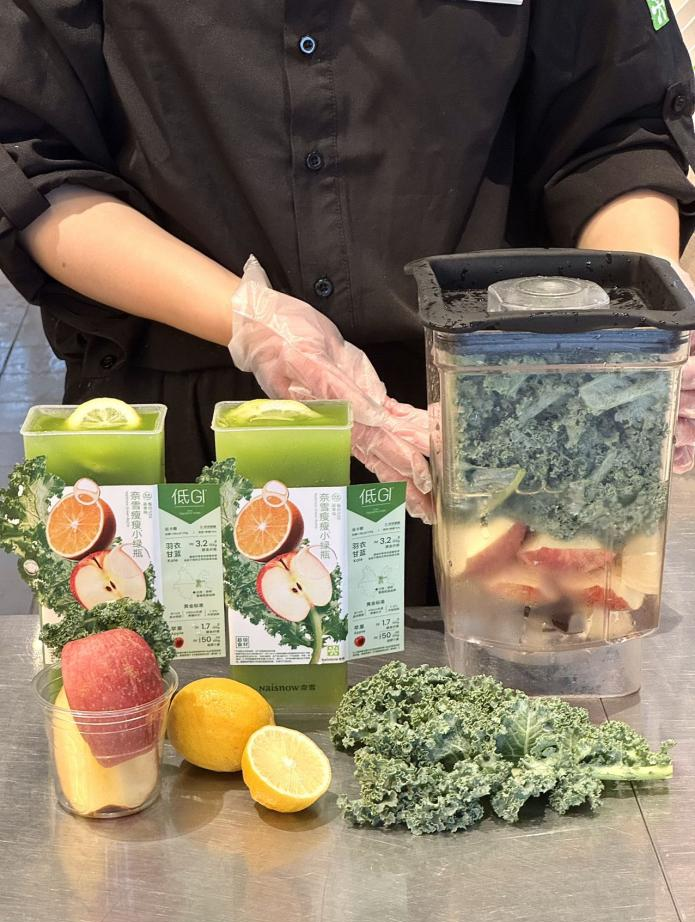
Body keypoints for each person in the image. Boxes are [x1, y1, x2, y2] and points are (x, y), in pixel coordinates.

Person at [1, 1, 694, 604]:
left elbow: (612, 133)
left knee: (505, 700)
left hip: (482, 435)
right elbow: (31, 154)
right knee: (182, 707)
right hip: (187, 426)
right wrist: (255, 323)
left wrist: (641, 329)